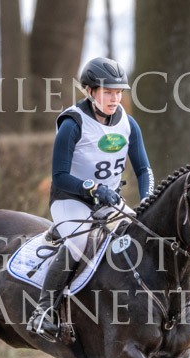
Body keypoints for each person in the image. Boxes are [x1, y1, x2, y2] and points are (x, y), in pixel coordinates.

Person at [27, 57, 154, 339]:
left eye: (118, 92)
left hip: (109, 202)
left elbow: (144, 170)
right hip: (70, 200)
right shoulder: (72, 124)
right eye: (108, 92)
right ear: (90, 91)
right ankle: (44, 311)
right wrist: (94, 189)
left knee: (142, 236)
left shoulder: (129, 124)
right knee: (80, 242)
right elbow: (59, 176)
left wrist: (147, 199)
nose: (115, 99)